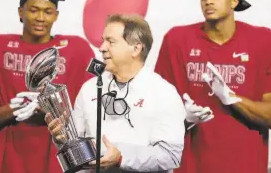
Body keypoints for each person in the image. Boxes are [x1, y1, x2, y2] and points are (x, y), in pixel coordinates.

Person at [154, 0, 271, 173]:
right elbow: (156, 110)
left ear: (234, 1)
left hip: (245, 166)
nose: (208, 1)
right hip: (191, 166)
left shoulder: (263, 41)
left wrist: (231, 98)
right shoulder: (177, 40)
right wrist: (183, 118)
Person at [0, 0, 95, 173]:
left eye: (47, 11)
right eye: (33, 10)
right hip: (8, 165)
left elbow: (95, 110)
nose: (40, 17)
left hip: (59, 164)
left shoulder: (78, 49)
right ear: (21, 12)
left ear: (56, 15)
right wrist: (17, 108)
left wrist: (52, 108)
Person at [45, 14, 186, 173]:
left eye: (111, 42)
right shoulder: (89, 88)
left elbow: (171, 155)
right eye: (103, 40)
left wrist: (121, 158)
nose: (102, 47)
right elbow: (77, 150)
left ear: (136, 48)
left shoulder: (164, 93)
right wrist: (62, 139)